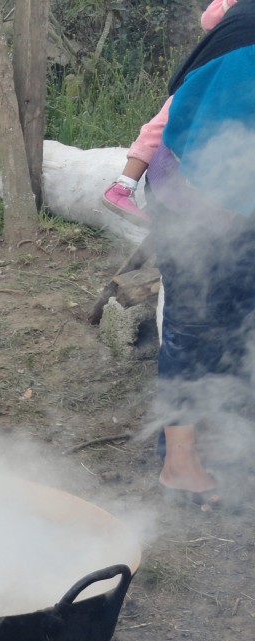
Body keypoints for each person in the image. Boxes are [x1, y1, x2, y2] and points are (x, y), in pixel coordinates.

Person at [144, 0, 255, 506]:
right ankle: (178, 465)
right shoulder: (247, 36)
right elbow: (203, 136)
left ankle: (226, 435)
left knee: (241, 319)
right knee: (194, 323)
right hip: (193, 190)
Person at [102, 0, 239, 225]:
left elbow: (208, 20)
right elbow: (209, 20)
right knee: (169, 115)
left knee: (164, 120)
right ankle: (124, 185)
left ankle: (125, 184)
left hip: (223, 70)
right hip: (216, 70)